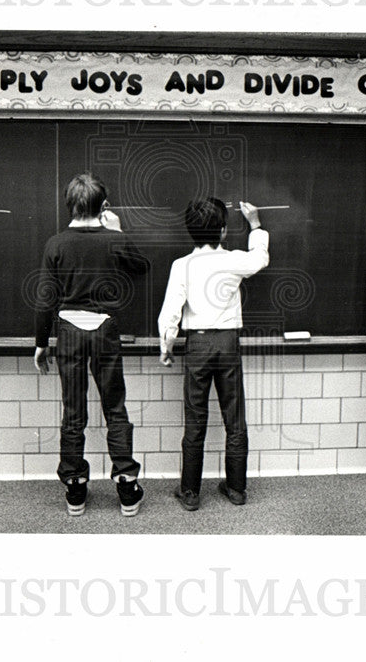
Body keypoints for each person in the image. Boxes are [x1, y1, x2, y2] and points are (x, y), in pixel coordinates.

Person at [34, 173, 149, 516]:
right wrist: (116, 231)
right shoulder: (113, 239)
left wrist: (42, 343)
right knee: (115, 407)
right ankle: (127, 484)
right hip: (104, 329)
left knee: (73, 411)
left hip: (68, 329)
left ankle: (74, 489)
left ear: (69, 204)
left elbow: (44, 300)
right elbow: (142, 267)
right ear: (104, 207)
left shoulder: (56, 243)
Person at [158, 198, 269, 511]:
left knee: (195, 420)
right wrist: (256, 226)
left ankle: (190, 492)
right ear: (222, 231)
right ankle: (236, 489)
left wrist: (167, 346)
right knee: (235, 419)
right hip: (228, 343)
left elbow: (170, 311)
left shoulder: (182, 265)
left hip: (198, 345)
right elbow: (260, 260)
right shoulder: (233, 259)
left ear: (190, 232)